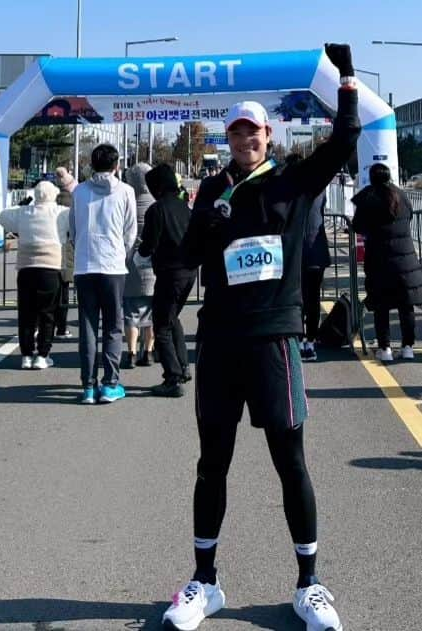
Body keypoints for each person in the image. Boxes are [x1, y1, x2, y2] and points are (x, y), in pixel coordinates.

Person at [161, 44, 360, 631]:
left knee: (290, 463)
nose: (245, 139)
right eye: (236, 132)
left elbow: (347, 140)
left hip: (273, 339)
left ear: (268, 136)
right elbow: (191, 256)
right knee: (211, 464)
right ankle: (205, 582)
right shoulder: (212, 191)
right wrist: (209, 223)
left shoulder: (294, 182)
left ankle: (309, 585)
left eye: (253, 132)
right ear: (228, 138)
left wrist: (347, 80)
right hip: (221, 341)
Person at [70, 144, 137, 404]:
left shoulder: (80, 192)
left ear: (91, 164)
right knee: (113, 325)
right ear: (117, 165)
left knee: (87, 327)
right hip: (113, 266)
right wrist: (122, 254)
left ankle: (88, 385)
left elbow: (73, 230)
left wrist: (82, 249)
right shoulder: (125, 191)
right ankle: (110, 384)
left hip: (85, 265)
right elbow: (130, 232)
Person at [352, 163, 422, 361]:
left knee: (381, 305)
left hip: (380, 259)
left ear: (372, 178)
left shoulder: (369, 198)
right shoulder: (402, 195)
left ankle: (385, 349)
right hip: (406, 259)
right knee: (406, 305)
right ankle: (408, 347)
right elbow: (408, 218)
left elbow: (358, 225)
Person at [138, 163, 197, 398]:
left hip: (168, 273)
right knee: (173, 319)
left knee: (161, 325)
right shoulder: (185, 207)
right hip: (189, 272)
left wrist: (139, 254)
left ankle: (172, 378)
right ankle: (183, 366)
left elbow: (148, 245)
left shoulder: (157, 210)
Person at [0, 181, 69, 369]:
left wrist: (22, 204)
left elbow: (3, 216)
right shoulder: (60, 212)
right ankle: (42, 355)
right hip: (50, 267)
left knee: (26, 313)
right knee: (47, 313)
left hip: (26, 268)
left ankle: (26, 355)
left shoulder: (24, 213)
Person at [285, 153, 331, 361]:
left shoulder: (286, 191)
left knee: (295, 300)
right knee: (313, 298)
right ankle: (310, 342)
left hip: (293, 254)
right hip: (316, 251)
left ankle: (297, 340)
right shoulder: (318, 189)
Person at [123, 162, 156, 368]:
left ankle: (131, 352)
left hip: (130, 265)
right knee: (152, 312)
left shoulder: (128, 203)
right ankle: (149, 351)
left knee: (131, 311)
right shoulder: (156, 204)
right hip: (154, 265)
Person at [54, 166, 78, 339]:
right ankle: (62, 327)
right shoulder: (74, 202)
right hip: (67, 249)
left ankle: (43, 325)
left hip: (49, 249)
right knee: (64, 291)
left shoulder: (53, 200)